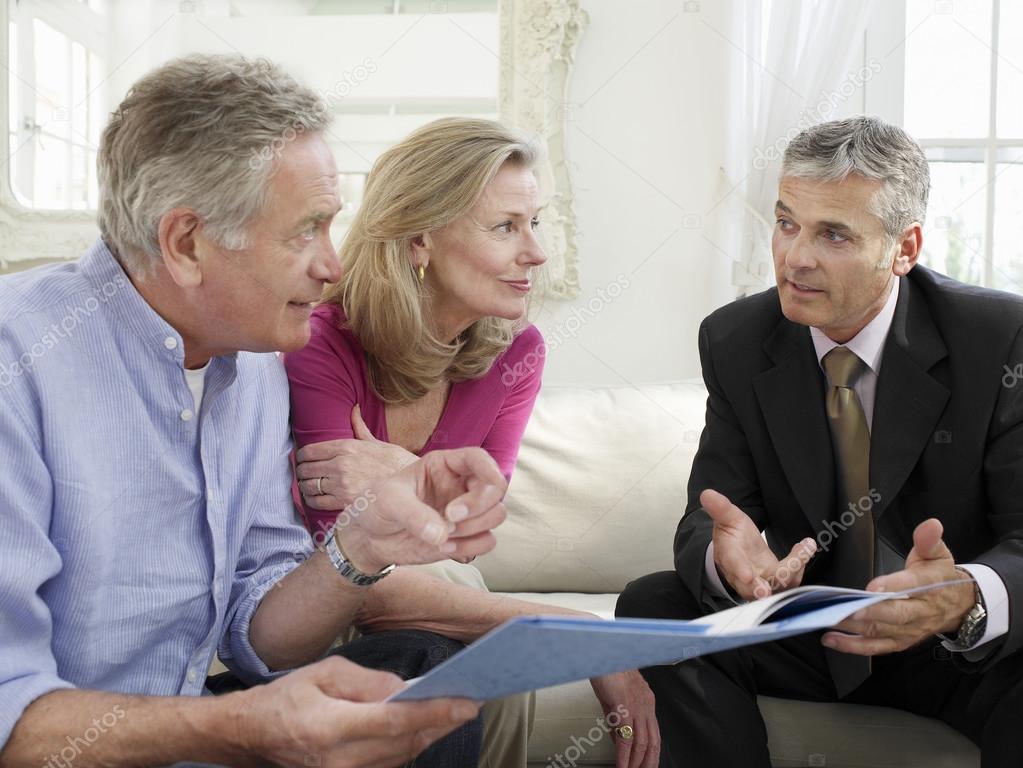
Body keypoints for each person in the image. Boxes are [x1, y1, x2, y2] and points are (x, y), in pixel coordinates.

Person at [0, 54, 510, 767]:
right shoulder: (16, 364)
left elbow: (257, 633)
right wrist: (238, 726)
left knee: (421, 674)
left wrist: (361, 544)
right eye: (307, 230)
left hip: (188, 731)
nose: (333, 267)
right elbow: (9, 715)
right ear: (187, 243)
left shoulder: (257, 358)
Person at [617, 116, 1023, 767]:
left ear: (903, 247)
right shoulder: (736, 341)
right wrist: (732, 563)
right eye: (785, 223)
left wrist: (963, 597)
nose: (794, 256)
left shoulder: (999, 338)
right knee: (654, 601)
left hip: (951, 644)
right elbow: (713, 513)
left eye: (832, 234)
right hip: (814, 633)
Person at [283, 117, 660, 768]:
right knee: (475, 641)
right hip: (323, 605)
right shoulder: (319, 343)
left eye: (534, 222)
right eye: (505, 227)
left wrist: (398, 472)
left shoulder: (517, 352)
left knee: (468, 622)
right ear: (420, 239)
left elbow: (471, 524)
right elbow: (357, 581)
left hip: (439, 594)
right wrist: (570, 627)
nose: (535, 253)